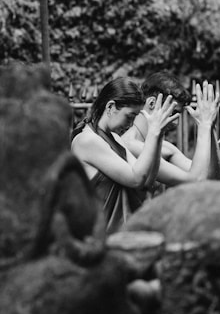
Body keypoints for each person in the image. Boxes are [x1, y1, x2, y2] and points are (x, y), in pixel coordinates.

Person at [71, 78, 178, 233]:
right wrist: (153, 133)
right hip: (98, 239)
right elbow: (136, 179)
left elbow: (148, 181)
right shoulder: (87, 141)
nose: (131, 124)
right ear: (111, 107)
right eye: (129, 116)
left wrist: (159, 133)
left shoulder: (114, 139)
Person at [122, 73, 220, 190]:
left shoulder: (165, 148)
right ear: (152, 103)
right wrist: (204, 125)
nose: (175, 123)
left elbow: (212, 179)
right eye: (173, 113)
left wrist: (210, 128)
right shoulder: (131, 145)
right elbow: (196, 181)